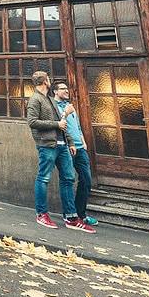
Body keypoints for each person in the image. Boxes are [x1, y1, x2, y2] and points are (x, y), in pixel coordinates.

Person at [26, 71, 96, 233]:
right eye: (48, 79)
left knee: (68, 179)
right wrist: (56, 125)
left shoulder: (50, 100)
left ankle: (71, 217)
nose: (50, 80)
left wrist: (70, 142)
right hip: (47, 145)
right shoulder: (35, 99)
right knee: (43, 178)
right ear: (45, 81)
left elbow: (63, 124)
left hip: (63, 145)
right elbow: (32, 122)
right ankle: (41, 214)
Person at [51, 81, 98, 227]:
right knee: (67, 180)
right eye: (62, 89)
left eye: (67, 88)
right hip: (66, 147)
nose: (66, 91)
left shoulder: (70, 106)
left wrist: (83, 142)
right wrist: (66, 113)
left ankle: (80, 214)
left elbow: (77, 126)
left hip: (80, 148)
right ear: (55, 91)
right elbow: (57, 125)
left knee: (86, 180)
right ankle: (69, 214)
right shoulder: (53, 107)